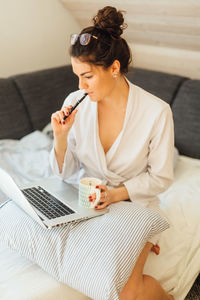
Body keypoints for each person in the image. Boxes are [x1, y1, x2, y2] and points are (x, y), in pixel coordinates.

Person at [50, 6, 174, 300]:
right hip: (88, 206)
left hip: (135, 207)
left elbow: (161, 178)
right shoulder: (76, 101)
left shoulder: (156, 112)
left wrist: (114, 195)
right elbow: (64, 173)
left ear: (114, 68)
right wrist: (60, 138)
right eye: (76, 76)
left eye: (88, 76)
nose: (80, 86)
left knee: (128, 293)